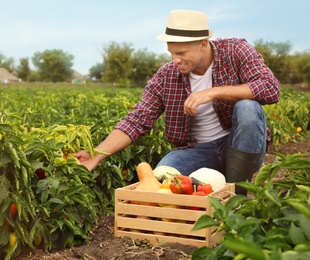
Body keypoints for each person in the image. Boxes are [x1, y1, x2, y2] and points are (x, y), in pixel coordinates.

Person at [74, 10, 280, 195]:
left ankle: (238, 196)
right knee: (162, 179)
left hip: (236, 144)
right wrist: (96, 156)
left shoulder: (235, 51)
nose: (175, 60)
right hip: (197, 151)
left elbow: (270, 87)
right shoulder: (166, 76)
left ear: (203, 44)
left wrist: (214, 92)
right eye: (171, 53)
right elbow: (137, 120)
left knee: (248, 108)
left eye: (181, 53)